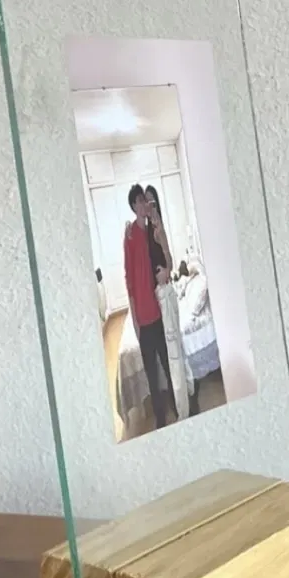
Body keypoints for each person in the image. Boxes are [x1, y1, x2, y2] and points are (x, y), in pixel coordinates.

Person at [123, 183, 173, 429]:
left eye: (146, 200)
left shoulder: (152, 229)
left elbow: (166, 257)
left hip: (159, 311)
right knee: (151, 371)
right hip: (143, 316)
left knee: (167, 362)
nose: (144, 204)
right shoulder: (130, 236)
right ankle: (160, 417)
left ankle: (176, 404)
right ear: (134, 206)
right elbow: (129, 280)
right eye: (140, 201)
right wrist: (134, 319)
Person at [144, 185, 195, 422]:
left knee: (174, 352)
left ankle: (184, 406)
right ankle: (182, 397)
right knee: (171, 351)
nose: (149, 207)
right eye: (146, 203)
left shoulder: (158, 229)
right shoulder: (146, 231)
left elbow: (171, 262)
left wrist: (166, 270)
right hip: (157, 296)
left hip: (166, 293)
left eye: (152, 202)